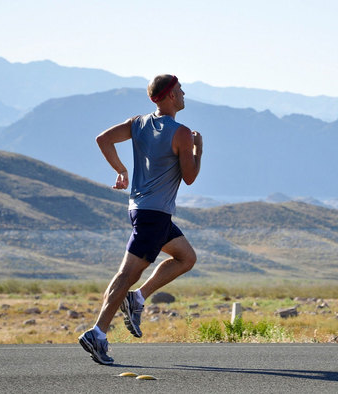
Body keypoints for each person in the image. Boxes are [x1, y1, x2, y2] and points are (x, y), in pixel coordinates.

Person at [78, 74, 203, 365]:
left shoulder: (138, 123)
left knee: (186, 257)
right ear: (171, 95)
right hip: (154, 215)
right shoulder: (182, 133)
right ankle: (97, 333)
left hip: (142, 210)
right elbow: (190, 177)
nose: (184, 95)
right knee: (126, 274)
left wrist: (121, 170)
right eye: (181, 90)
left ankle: (137, 298)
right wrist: (198, 148)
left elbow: (103, 139)